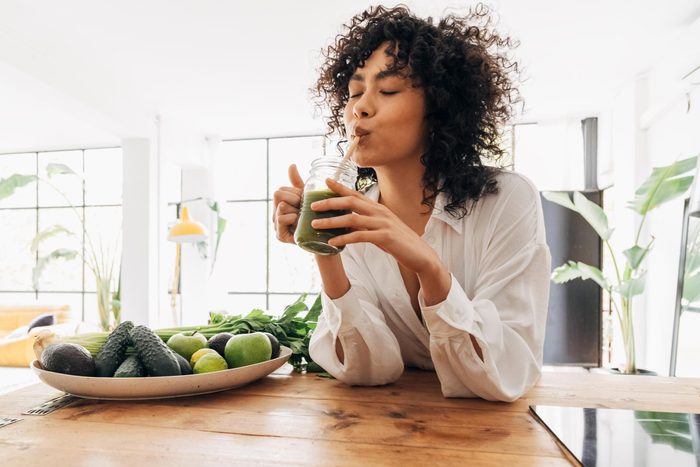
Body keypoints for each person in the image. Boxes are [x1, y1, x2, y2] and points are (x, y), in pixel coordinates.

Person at [272, 4, 551, 401]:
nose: (360, 107)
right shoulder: (351, 212)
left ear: (439, 107)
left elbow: (506, 374)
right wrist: (324, 247)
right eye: (354, 92)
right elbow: (366, 370)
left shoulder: (506, 200)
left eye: (387, 90)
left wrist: (428, 266)